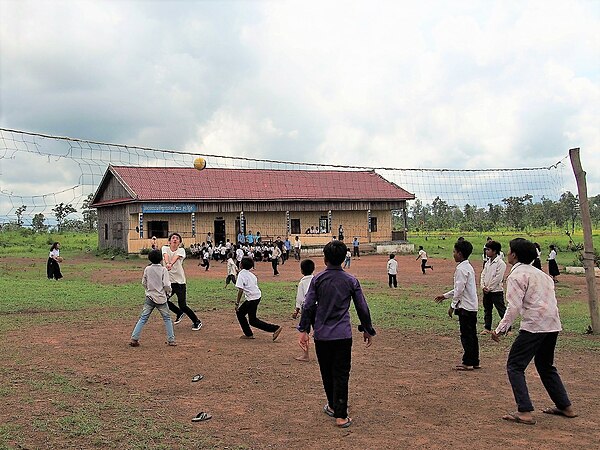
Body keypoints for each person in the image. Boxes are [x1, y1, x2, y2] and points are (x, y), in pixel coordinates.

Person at [492, 238, 577, 425]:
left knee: (515, 365)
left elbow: (514, 306)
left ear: (514, 254)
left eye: (509, 251)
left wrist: (500, 329)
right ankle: (566, 406)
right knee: (546, 365)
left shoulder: (516, 276)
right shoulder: (542, 275)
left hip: (534, 326)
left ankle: (524, 411)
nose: (507, 254)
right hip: (552, 324)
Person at [298, 241, 375, 428]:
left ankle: (334, 406)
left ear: (324, 259)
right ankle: (340, 415)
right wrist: (367, 329)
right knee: (341, 373)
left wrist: (304, 330)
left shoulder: (317, 280)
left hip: (322, 335)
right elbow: (362, 307)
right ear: (343, 259)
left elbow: (308, 305)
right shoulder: (351, 281)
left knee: (326, 372)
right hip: (342, 335)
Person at [435, 240, 480, 371]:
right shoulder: (468, 267)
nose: (453, 254)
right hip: (472, 306)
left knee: (466, 335)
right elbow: (460, 288)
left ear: (460, 254)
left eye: (454, 252)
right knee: (472, 335)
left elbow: (459, 290)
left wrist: (452, 305)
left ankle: (468, 362)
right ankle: (475, 361)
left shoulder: (461, 269)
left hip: (464, 307)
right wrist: (445, 296)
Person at [130, 249, 176, 347]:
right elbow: (167, 285)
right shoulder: (163, 270)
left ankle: (134, 338)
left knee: (143, 318)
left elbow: (144, 282)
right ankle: (171, 340)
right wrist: (168, 293)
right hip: (161, 298)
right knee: (167, 318)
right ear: (161, 259)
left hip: (150, 297)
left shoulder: (147, 269)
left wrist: (148, 290)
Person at [235, 257, 282, 340]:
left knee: (251, 320)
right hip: (256, 296)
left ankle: (275, 328)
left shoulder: (241, 274)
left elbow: (240, 290)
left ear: (241, 265)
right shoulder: (251, 275)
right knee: (242, 314)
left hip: (252, 299)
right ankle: (248, 334)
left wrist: (237, 303)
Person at [162, 233, 202, 331]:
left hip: (179, 282)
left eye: (177, 238)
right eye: (173, 238)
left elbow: (176, 257)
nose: (175, 239)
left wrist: (170, 264)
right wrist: (167, 263)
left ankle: (197, 321)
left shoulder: (181, 250)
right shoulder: (165, 248)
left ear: (180, 242)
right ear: (169, 241)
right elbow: (166, 255)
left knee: (183, 305)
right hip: (168, 282)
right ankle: (179, 313)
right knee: (163, 300)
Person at [480, 240, 508, 335]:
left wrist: (490, 288)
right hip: (486, 290)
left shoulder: (500, 263)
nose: (486, 251)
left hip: (496, 291)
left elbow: (498, 278)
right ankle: (487, 327)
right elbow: (483, 274)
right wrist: (483, 286)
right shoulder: (487, 263)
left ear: (495, 251)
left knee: (501, 309)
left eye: (488, 249)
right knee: (487, 310)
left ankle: (508, 328)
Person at [292, 259, 315, 362]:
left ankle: (306, 355)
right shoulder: (316, 280)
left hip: (307, 309)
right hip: (317, 308)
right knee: (319, 330)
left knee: (305, 331)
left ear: (302, 270)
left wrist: (296, 311)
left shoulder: (302, 282)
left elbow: (300, 298)